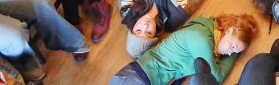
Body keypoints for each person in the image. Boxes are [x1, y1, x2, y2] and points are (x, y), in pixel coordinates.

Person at [110, 11, 258, 84]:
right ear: (229, 30)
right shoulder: (201, 38)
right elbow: (214, 77)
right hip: (139, 77)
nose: (230, 52)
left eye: (234, 51)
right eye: (232, 46)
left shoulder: (205, 29)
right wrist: (233, 57)